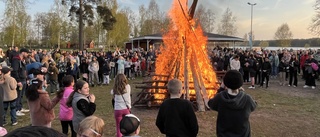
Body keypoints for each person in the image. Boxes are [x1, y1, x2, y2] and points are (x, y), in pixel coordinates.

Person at [208, 70, 257, 137]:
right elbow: (254, 105)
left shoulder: (220, 98)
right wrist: (242, 92)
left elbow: (210, 103)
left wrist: (221, 89)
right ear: (240, 83)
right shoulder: (247, 99)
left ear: (225, 82)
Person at [11, 48, 30, 116]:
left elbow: (24, 70)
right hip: (19, 80)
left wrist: (27, 78)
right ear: (23, 52)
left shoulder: (22, 60)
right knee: (18, 95)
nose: (27, 55)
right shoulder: (16, 60)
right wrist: (18, 81)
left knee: (21, 95)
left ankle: (20, 107)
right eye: (27, 53)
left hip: (24, 79)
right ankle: (16, 110)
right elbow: (14, 71)